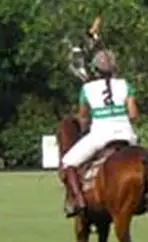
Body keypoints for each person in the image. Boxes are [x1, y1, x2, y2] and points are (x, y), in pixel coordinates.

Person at [59, 49, 139, 217]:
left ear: (96, 70)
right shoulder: (125, 85)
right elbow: (133, 115)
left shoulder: (87, 89)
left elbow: (83, 119)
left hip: (100, 136)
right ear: (114, 68)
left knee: (67, 163)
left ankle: (78, 201)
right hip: (127, 135)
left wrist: (85, 127)